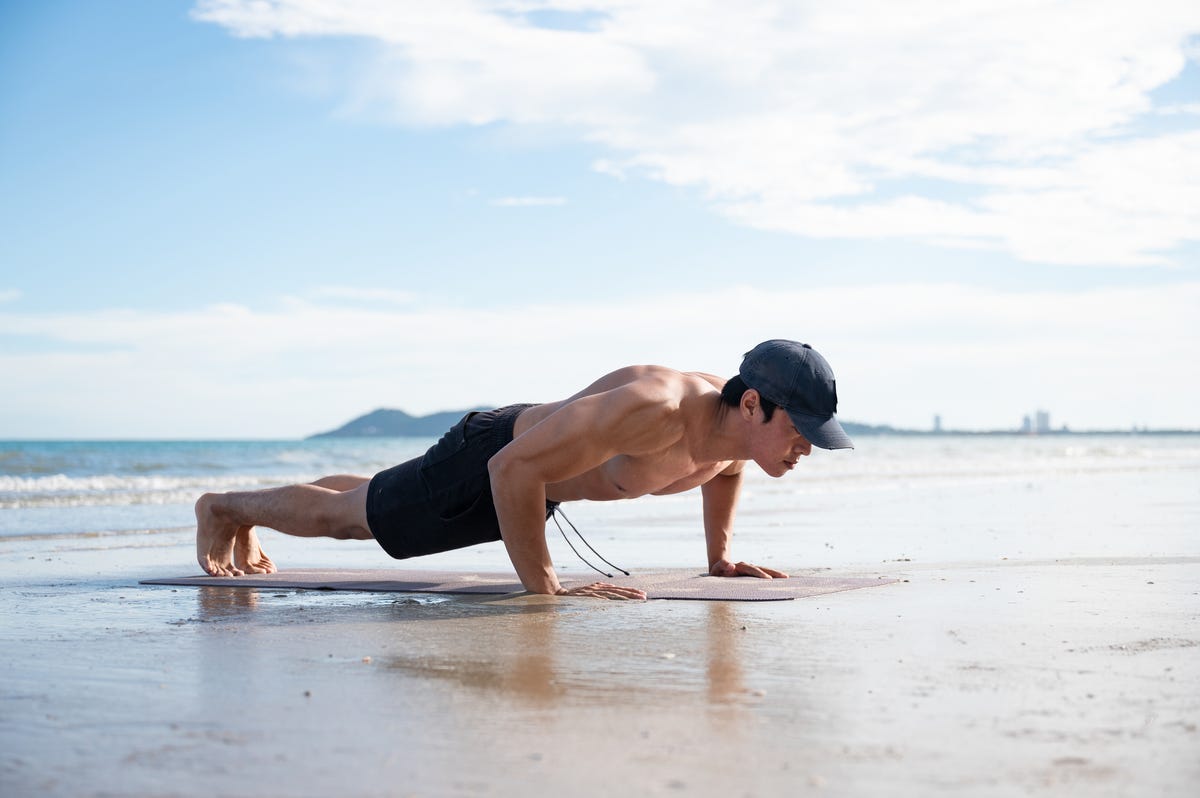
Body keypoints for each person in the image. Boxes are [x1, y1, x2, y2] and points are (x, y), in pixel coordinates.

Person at [195, 339, 852, 600]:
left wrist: (721, 557)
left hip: (530, 480)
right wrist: (548, 592)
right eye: (801, 430)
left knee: (369, 501)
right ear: (751, 405)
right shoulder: (655, 409)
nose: (808, 448)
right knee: (349, 523)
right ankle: (225, 507)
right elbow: (512, 471)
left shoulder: (728, 437)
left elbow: (726, 468)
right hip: (490, 463)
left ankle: (248, 510)